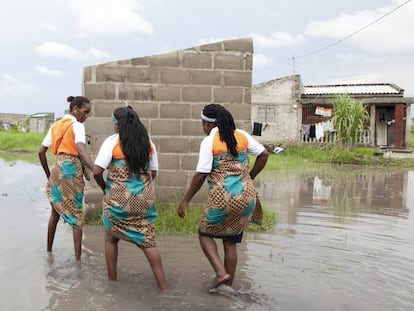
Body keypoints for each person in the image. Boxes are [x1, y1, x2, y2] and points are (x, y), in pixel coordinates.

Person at [177, 103, 268, 290]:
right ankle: (227, 287)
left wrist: (185, 200)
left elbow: (201, 174)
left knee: (204, 233)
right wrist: (249, 177)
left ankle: (220, 273)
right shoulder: (241, 136)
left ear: (207, 124)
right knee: (231, 241)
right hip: (247, 196)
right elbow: (264, 154)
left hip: (223, 197)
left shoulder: (209, 141)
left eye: (203, 123)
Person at [93, 106, 167, 290]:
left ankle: (112, 284)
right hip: (144, 200)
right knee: (148, 242)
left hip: (118, 200)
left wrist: (105, 188)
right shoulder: (147, 143)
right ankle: (163, 286)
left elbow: (96, 171)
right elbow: (154, 172)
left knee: (111, 240)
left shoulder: (112, 142)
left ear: (117, 125)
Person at [39, 96, 95, 261]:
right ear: (75, 109)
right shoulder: (77, 125)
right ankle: (78, 261)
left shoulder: (56, 125)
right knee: (77, 215)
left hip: (57, 170)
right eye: (85, 112)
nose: (86, 116)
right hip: (71, 171)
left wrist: (49, 175)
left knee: (54, 214)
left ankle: (49, 253)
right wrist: (93, 168)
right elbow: (81, 149)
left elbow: (41, 152)